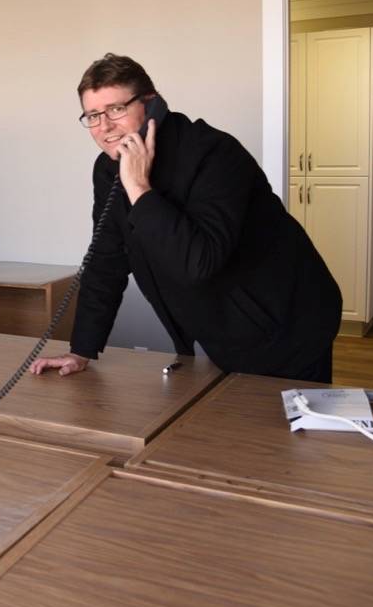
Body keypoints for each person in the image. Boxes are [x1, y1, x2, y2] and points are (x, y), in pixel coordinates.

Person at [30, 53, 341, 382]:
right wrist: (82, 349)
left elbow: (199, 262)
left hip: (288, 323)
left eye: (116, 109)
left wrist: (138, 188)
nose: (104, 126)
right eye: (92, 115)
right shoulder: (108, 169)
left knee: (283, 432)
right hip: (219, 330)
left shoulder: (215, 153)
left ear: (151, 104)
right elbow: (107, 260)